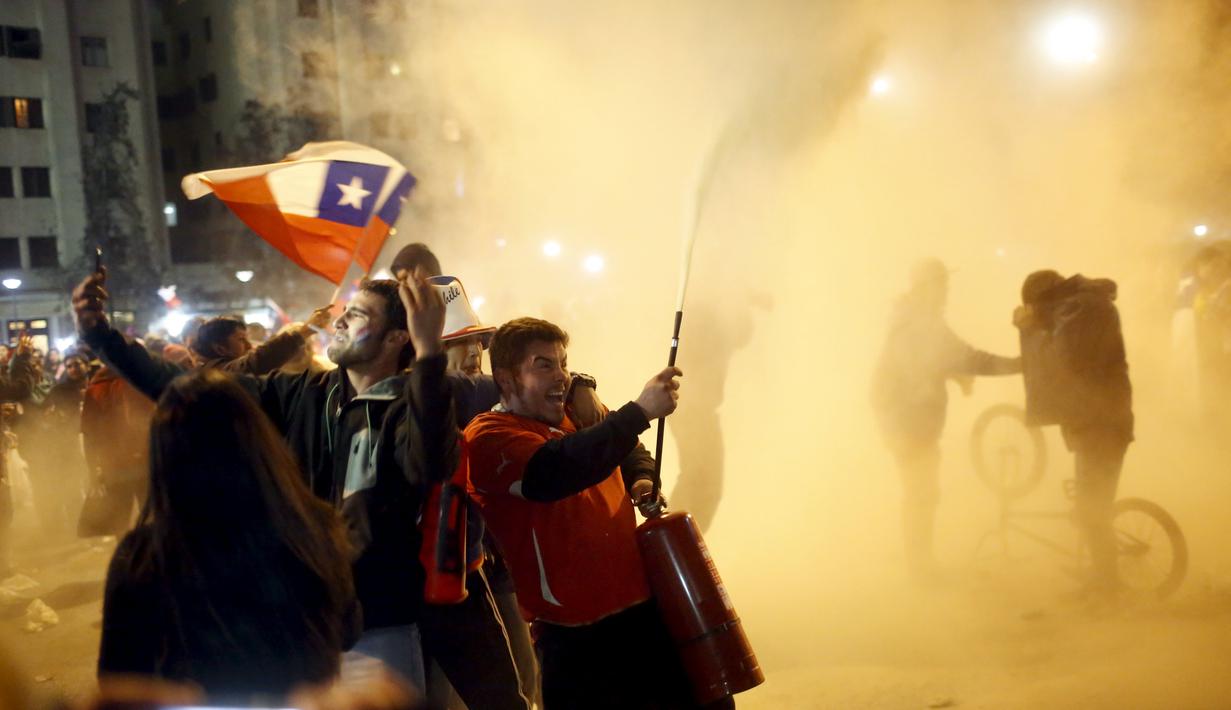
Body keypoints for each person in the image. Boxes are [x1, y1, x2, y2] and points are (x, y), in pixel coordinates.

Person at [73, 267, 456, 691]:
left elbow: (430, 463)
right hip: (303, 621)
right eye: (345, 311)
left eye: (359, 314)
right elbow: (193, 390)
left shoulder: (414, 402)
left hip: (381, 620)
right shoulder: (298, 393)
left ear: (396, 338)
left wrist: (430, 354)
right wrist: (102, 336)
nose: (341, 320)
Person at [463, 317, 718, 710]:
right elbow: (558, 470)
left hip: (642, 612)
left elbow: (626, 448)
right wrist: (639, 412)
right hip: (574, 638)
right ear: (507, 379)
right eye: (543, 365)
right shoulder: (487, 437)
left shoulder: (575, 411)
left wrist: (641, 481)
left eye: (563, 362)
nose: (561, 376)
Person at [97, 369, 360, 704]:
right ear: (259, 439)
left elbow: (117, 680)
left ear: (164, 455)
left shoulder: (143, 555)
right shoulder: (315, 527)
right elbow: (347, 631)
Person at [870, 259, 1021, 580]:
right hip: (908, 422)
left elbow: (946, 360)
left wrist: (954, 373)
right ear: (926, 287)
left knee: (923, 492)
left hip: (911, 420)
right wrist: (1015, 365)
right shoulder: (916, 325)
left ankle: (922, 565)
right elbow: (940, 364)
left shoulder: (919, 321)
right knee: (921, 492)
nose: (946, 293)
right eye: (942, 286)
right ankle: (921, 569)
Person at [1015, 269, 1133, 603]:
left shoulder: (1079, 309)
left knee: (1093, 510)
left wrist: (1031, 329)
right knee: (1091, 506)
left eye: (1034, 308)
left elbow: (1063, 360)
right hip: (1095, 420)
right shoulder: (1079, 307)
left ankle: (1108, 588)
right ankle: (1101, 578)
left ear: (1042, 300)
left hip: (1100, 422)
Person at [191, 309, 332, 375]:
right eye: (241, 340)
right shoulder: (217, 374)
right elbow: (258, 360)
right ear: (220, 349)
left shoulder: (325, 368)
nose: (249, 345)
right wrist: (304, 332)